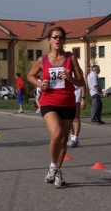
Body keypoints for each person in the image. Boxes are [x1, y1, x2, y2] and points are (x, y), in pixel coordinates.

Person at [27, 26, 85, 187]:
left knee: (64, 140)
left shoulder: (70, 58)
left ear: (64, 40)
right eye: (54, 37)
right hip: (48, 101)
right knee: (57, 133)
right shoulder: (43, 60)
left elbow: (82, 81)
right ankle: (53, 166)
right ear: (49, 40)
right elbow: (30, 75)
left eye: (60, 37)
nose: (57, 39)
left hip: (67, 102)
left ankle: (57, 170)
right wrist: (40, 83)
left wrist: (71, 79)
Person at [67, 77, 87, 148]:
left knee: (76, 117)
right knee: (68, 118)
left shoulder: (76, 69)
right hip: (66, 95)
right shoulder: (64, 68)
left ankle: (75, 138)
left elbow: (83, 84)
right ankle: (72, 137)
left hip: (76, 95)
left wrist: (83, 98)